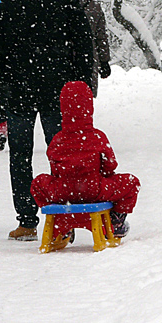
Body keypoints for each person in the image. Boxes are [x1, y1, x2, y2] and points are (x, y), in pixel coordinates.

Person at [0, 0, 94, 242]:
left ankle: (27, 220)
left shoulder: (0, 5)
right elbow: (84, 46)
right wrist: (84, 84)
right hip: (58, 91)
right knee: (62, 154)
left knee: (20, 156)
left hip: (18, 94)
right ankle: (64, 217)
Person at [31, 81, 140, 251]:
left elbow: (54, 168)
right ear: (90, 108)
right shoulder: (97, 137)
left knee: (37, 183)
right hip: (94, 190)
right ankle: (116, 222)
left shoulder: (57, 140)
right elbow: (110, 166)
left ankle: (60, 223)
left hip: (63, 191)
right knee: (131, 182)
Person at [62, 0, 113, 96]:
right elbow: (101, 37)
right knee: (82, 99)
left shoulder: (59, 2)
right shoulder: (94, 7)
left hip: (63, 57)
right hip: (88, 60)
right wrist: (104, 61)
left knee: (62, 99)